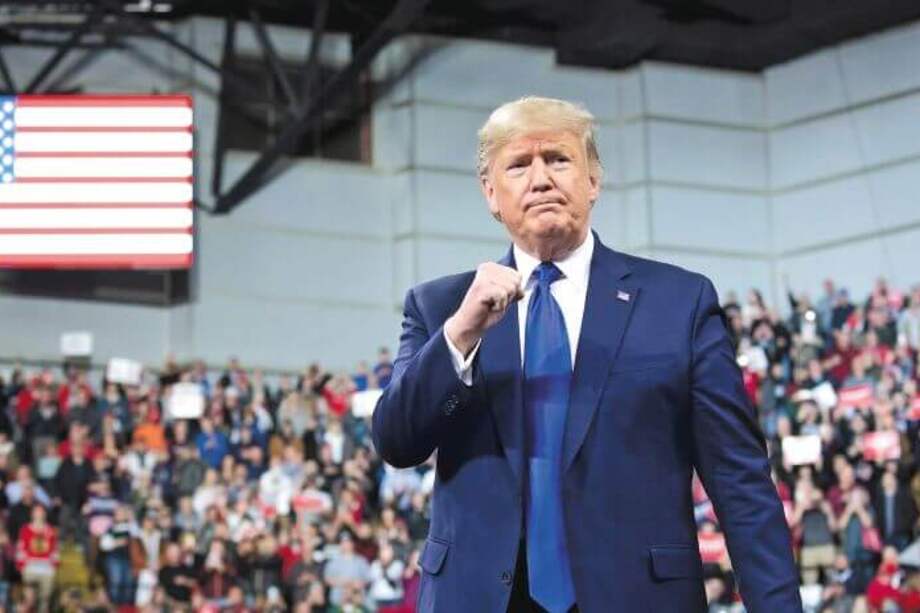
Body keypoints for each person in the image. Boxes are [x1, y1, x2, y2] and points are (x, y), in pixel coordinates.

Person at [372, 96, 802, 612]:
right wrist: (460, 334)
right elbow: (397, 441)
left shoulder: (678, 303)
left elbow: (739, 481)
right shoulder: (441, 307)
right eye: (518, 165)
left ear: (593, 180)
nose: (540, 178)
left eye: (558, 159)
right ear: (491, 193)